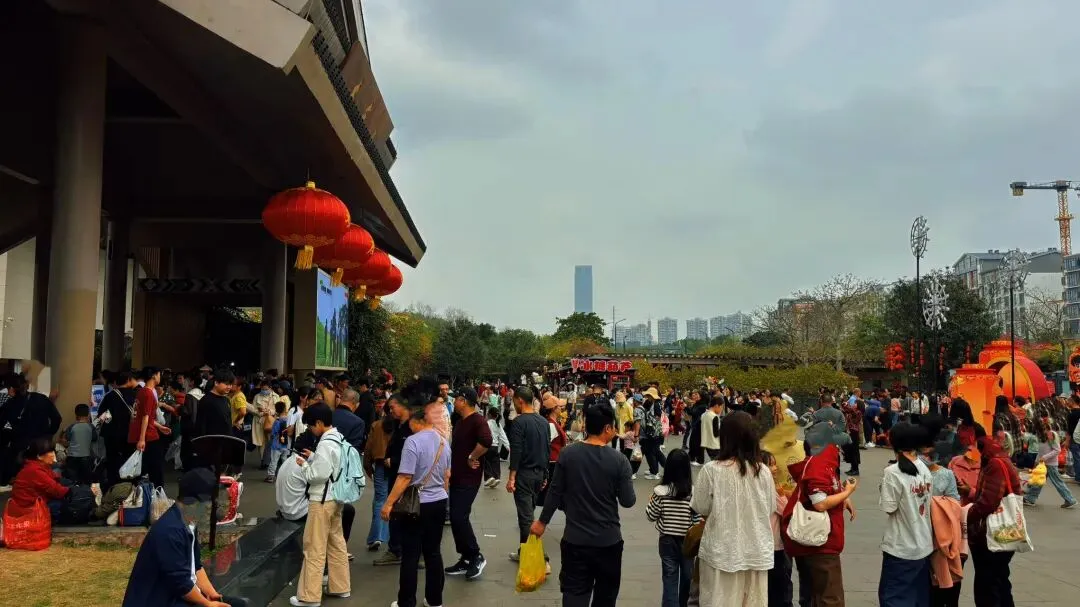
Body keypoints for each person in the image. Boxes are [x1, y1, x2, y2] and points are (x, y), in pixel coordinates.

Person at [531, 399, 636, 606]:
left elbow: (555, 491)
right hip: (608, 542)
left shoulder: (568, 454)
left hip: (575, 540)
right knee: (605, 598)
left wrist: (542, 522)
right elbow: (628, 501)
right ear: (607, 428)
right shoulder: (619, 460)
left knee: (574, 595)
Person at [122, 468, 245, 607]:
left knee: (240, 604)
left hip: (178, 596)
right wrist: (207, 604)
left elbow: (196, 567)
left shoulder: (189, 523)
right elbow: (180, 583)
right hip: (162, 601)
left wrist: (213, 594)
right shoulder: (170, 531)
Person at [691, 411, 775, 606]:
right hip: (755, 548)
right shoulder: (763, 472)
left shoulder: (712, 470)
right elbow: (770, 507)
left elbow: (700, 506)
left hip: (722, 549)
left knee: (718, 600)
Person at [382, 404, 451, 607]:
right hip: (439, 501)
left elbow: (405, 476)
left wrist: (389, 503)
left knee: (411, 554)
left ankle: (406, 601)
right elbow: (447, 476)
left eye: (410, 423)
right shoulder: (443, 442)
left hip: (416, 504)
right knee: (433, 552)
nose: (409, 427)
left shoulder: (412, 442)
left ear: (418, 421)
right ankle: (435, 600)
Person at [781, 443, 857, 607]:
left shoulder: (819, 463)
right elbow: (820, 503)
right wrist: (847, 492)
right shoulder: (820, 464)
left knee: (814, 593)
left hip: (812, 540)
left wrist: (843, 496)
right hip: (821, 542)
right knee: (830, 597)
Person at [290, 404, 350, 607]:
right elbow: (333, 467)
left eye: (310, 425)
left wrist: (305, 465)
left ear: (319, 423)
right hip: (337, 497)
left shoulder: (325, 443)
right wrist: (314, 458)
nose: (310, 429)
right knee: (336, 543)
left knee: (314, 546)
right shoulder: (339, 438)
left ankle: (309, 596)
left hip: (321, 500)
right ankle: (341, 586)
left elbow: (317, 475)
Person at [878, 422, 934, 607]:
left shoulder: (892, 472)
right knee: (918, 598)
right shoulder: (924, 468)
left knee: (894, 598)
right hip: (923, 544)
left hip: (901, 547)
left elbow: (889, 507)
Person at [967, 435, 1022, 607]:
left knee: (988, 584)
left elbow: (988, 502)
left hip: (992, 535)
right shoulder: (1001, 460)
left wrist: (966, 515)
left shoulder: (995, 464)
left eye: (971, 447)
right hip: (1004, 533)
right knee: (999, 580)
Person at [445, 387, 492, 580]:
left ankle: (475, 555)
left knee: (459, 516)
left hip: (469, 478)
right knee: (456, 517)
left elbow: (486, 440)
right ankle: (465, 558)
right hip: (456, 476)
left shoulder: (478, 420)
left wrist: (472, 456)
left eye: (456, 399)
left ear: (463, 401)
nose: (454, 402)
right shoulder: (460, 421)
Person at [645, 448, 697, 607]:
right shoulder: (692, 492)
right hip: (688, 542)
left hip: (667, 541)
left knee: (669, 577)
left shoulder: (660, 492)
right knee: (687, 577)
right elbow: (696, 519)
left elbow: (651, 515)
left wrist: (651, 502)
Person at [506, 386, 551, 563]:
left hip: (524, 475)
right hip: (538, 474)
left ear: (520, 400)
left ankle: (541, 558)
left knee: (526, 519)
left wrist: (511, 477)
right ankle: (523, 551)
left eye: (514, 402)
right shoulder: (543, 422)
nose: (513, 406)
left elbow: (516, 451)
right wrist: (545, 474)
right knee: (527, 514)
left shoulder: (518, 423)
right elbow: (546, 449)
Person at [130, 367, 171, 488]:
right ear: (154, 376)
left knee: (144, 468)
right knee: (156, 469)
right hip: (149, 436)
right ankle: (157, 494)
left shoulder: (142, 391)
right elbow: (145, 417)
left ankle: (145, 492)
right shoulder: (148, 393)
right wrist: (142, 439)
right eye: (159, 374)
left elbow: (145, 416)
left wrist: (159, 427)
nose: (160, 377)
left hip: (142, 433)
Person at [10, 437, 70, 521]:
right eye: (50, 452)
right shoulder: (34, 470)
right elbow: (56, 490)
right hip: (27, 510)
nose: (53, 454)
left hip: (32, 504)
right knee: (67, 505)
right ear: (39, 456)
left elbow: (54, 478)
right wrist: (73, 490)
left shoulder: (39, 465)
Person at [761, 451, 793, 607]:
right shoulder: (771, 489)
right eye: (770, 465)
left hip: (764, 544)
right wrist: (782, 495)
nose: (775, 468)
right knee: (779, 587)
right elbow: (786, 510)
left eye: (774, 464)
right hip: (774, 545)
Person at [364, 401, 393, 551]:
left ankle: (376, 536)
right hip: (396, 466)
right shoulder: (400, 425)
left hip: (380, 465)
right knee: (393, 499)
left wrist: (368, 467)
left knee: (380, 500)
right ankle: (389, 535)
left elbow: (368, 448)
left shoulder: (376, 425)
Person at [60, 403, 97, 484]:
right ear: (88, 414)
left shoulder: (72, 427)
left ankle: (73, 489)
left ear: (76, 415)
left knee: (72, 479)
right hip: (86, 457)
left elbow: (66, 439)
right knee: (86, 480)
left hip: (72, 457)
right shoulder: (91, 427)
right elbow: (95, 438)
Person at [483, 407, 507, 488]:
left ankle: (489, 476)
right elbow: (503, 436)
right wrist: (508, 446)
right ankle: (496, 477)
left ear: (489, 414)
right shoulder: (498, 424)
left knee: (486, 461)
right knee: (495, 462)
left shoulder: (487, 423)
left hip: (488, 446)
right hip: (495, 447)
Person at [265, 401, 289, 482]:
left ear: (276, 410)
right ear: (285, 409)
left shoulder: (277, 421)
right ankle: (285, 476)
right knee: (284, 461)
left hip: (276, 445)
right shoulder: (288, 420)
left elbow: (273, 433)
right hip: (286, 444)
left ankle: (271, 476)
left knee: (274, 461)